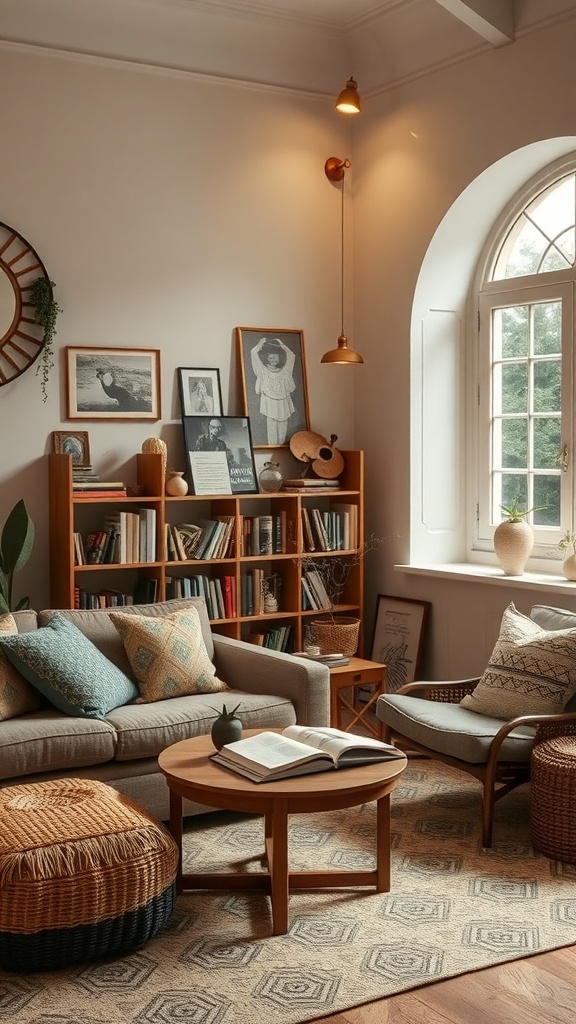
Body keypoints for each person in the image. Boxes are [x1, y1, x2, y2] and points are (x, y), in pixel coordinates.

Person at [250, 337, 296, 445]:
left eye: (275, 358)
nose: (273, 360)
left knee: (283, 428)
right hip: (269, 403)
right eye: (271, 358)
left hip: (283, 403)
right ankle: (272, 449)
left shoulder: (285, 372)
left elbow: (291, 356)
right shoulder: (263, 372)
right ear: (267, 359)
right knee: (271, 428)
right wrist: (260, 344)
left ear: (279, 358)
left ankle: (280, 450)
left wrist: (282, 345)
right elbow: (253, 353)